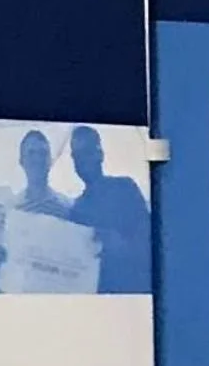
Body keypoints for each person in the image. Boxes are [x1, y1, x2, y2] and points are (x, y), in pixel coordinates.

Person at [64, 126, 149, 296]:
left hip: (136, 298)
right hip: (100, 303)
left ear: (100, 154)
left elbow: (150, 242)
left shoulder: (126, 188)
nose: (81, 160)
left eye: (87, 151)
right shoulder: (76, 210)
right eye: (76, 155)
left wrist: (120, 245)